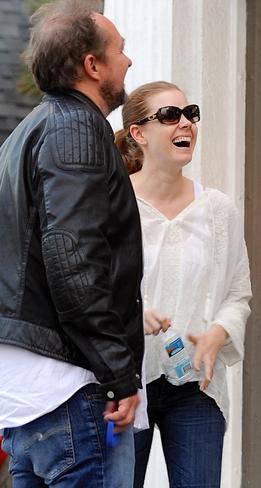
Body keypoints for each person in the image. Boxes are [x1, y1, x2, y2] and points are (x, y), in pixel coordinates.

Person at [0, 0, 143, 486]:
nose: (128, 61)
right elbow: (73, 258)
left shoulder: (25, 133)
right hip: (71, 390)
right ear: (92, 64)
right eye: (120, 50)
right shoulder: (77, 127)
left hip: (28, 402)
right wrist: (119, 374)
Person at [115, 81, 251, 488]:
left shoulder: (218, 209)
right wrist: (130, 317)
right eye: (170, 116)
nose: (186, 124)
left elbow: (238, 292)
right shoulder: (113, 205)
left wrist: (218, 332)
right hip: (125, 381)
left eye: (190, 113)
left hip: (195, 383)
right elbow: (90, 289)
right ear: (138, 133)